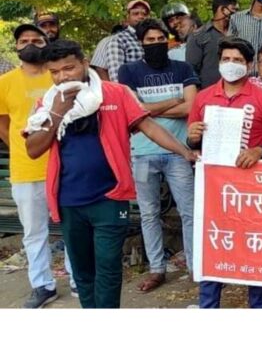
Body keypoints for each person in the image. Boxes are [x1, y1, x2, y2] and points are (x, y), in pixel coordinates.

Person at [25, 40, 196, 308]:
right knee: (82, 272)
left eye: (68, 68)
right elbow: (33, 149)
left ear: (84, 63)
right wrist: (57, 112)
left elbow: (149, 127)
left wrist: (185, 152)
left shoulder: (115, 94)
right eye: (55, 72)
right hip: (68, 200)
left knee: (107, 268)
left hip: (110, 197)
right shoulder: (47, 103)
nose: (62, 76)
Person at [186, 37, 262, 308]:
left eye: (238, 60)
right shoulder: (204, 98)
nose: (231, 65)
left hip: (252, 190)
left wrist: (258, 151)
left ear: (249, 65)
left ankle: (259, 306)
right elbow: (193, 142)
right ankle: (209, 306)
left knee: (256, 249)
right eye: (227, 59)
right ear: (219, 63)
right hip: (215, 189)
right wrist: (192, 137)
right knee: (213, 245)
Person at [117, 19, 199, 293]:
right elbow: (133, 109)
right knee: (149, 214)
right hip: (142, 153)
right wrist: (174, 101)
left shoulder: (183, 68)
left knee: (189, 211)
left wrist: (149, 109)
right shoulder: (128, 71)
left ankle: (194, 267)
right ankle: (156, 269)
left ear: (168, 39)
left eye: (159, 39)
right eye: (149, 40)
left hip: (179, 153)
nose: (155, 44)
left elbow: (190, 107)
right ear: (141, 43)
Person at [0, 24, 74, 308]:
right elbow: (4, 125)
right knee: (34, 231)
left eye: (37, 39)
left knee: (71, 227)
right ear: (17, 46)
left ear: (47, 43)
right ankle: (43, 285)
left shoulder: (60, 78)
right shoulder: (5, 82)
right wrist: (23, 148)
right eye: (24, 40)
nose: (31, 44)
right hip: (26, 168)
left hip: (64, 165)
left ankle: (78, 278)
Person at [186, 0, 239, 89]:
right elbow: (191, 70)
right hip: (209, 94)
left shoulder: (239, 33)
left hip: (237, 92)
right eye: (234, 10)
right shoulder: (198, 36)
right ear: (222, 9)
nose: (237, 14)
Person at [90, 0, 149, 82]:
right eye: (136, 13)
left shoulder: (152, 38)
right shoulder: (118, 40)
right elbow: (112, 75)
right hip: (130, 91)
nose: (141, 17)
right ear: (127, 17)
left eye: (144, 14)